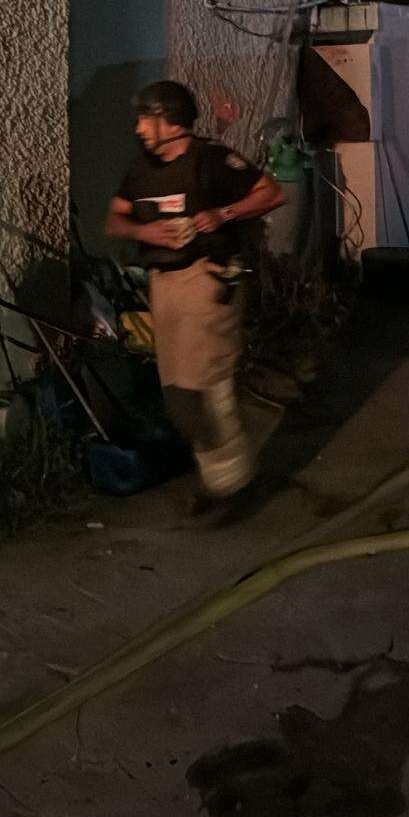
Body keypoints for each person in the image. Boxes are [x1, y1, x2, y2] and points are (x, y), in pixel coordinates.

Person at [105, 81, 284, 508]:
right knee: (177, 392)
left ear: (170, 120)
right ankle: (224, 474)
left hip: (206, 279)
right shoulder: (142, 170)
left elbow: (272, 193)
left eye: (145, 119)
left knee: (202, 390)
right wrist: (145, 232)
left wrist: (223, 213)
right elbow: (114, 221)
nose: (138, 128)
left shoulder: (211, 160)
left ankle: (232, 483)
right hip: (163, 287)